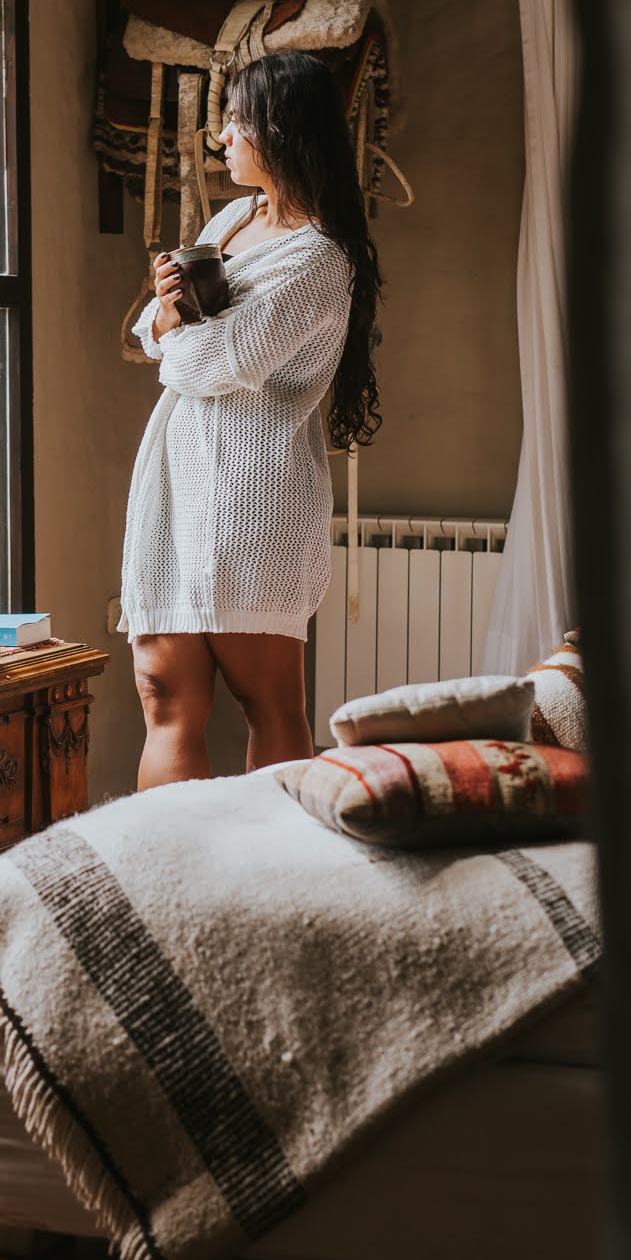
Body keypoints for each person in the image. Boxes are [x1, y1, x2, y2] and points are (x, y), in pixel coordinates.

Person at [119, 47, 383, 787]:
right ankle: (167, 882)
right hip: (177, 488)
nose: (222, 138)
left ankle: (273, 873)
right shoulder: (234, 218)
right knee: (163, 693)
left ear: (279, 128)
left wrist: (175, 333)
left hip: (254, 495)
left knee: (267, 701)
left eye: (235, 121)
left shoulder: (321, 259)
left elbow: (215, 363)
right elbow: (153, 333)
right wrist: (168, 311)